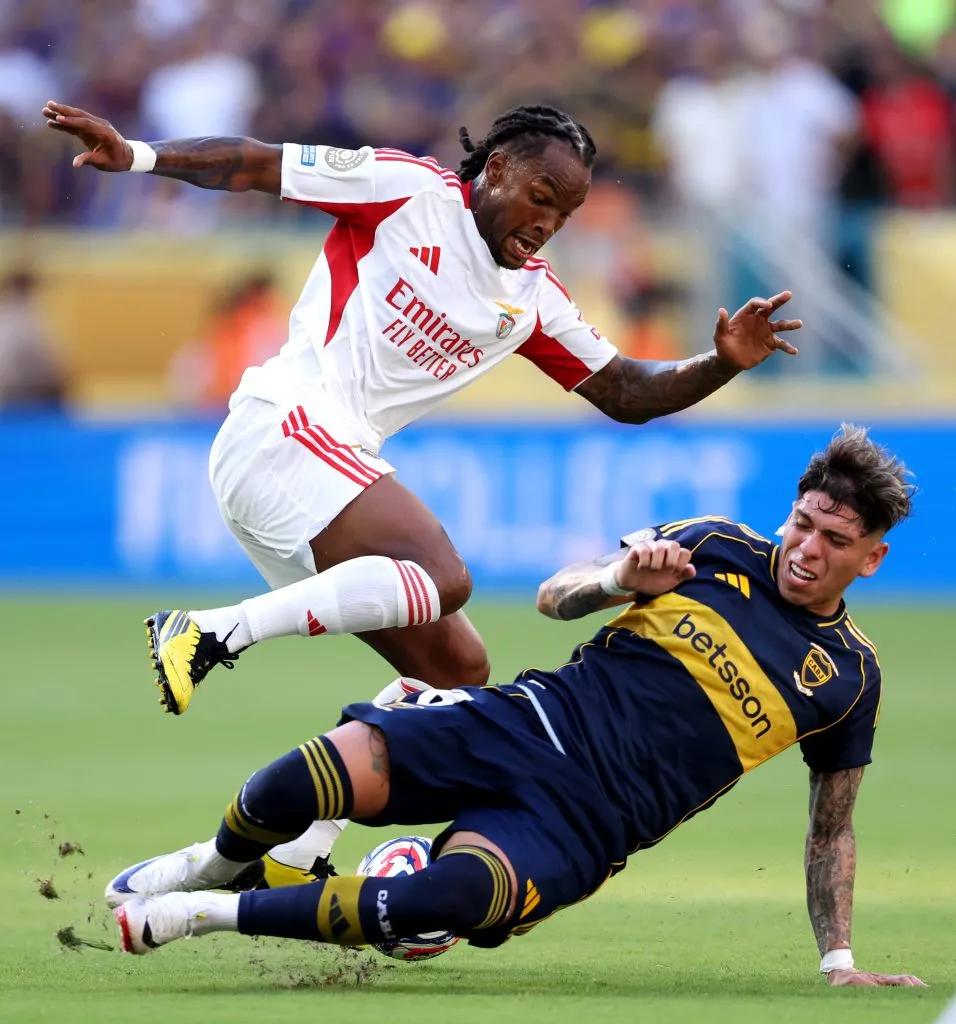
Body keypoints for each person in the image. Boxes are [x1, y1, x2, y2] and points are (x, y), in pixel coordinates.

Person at [43, 99, 801, 881]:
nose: (548, 222)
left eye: (566, 212)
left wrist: (721, 363)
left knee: (456, 670)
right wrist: (136, 156)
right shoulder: (406, 191)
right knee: (445, 579)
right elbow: (256, 163)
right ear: (496, 168)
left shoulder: (531, 299)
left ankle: (282, 854)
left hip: (319, 473)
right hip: (281, 427)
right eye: (542, 197)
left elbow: (625, 392)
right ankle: (208, 633)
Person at [106, 425, 924, 989]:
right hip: (527, 722)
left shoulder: (847, 679)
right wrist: (616, 582)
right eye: (801, 522)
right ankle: (216, 861)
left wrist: (838, 959)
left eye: (834, 540)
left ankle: (202, 913)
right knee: (295, 785)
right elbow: (554, 595)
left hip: (586, 826)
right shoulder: (712, 546)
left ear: (872, 558)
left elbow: (832, 828)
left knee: (444, 903)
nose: (805, 548)